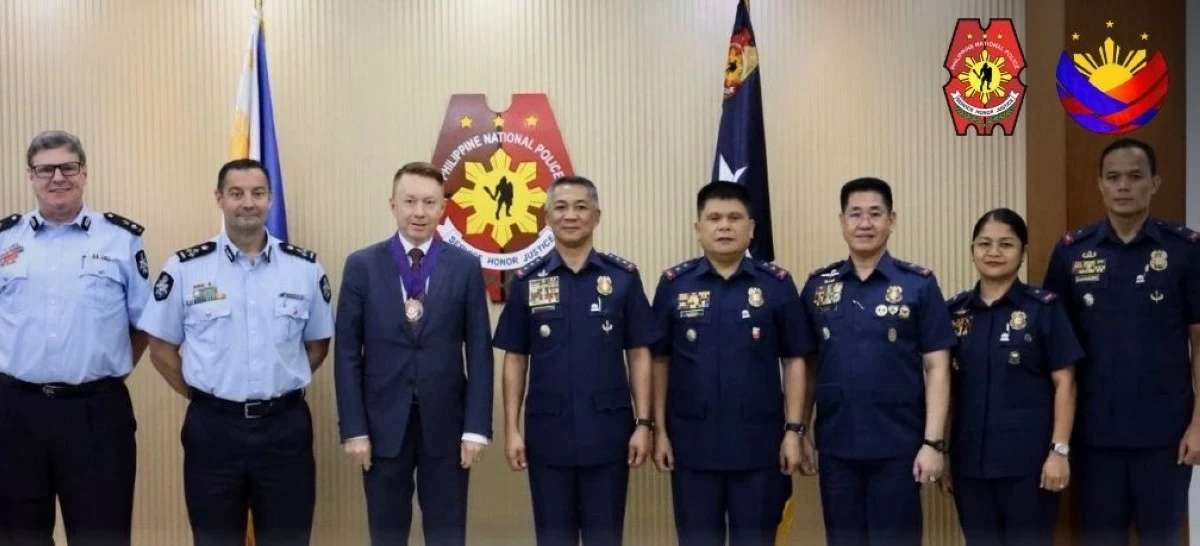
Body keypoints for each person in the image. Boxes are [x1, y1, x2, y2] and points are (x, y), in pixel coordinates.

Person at [138, 158, 334, 546]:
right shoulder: (185, 269)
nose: (248, 202)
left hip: (284, 430)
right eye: (237, 193)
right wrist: (204, 393)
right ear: (219, 198)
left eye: (258, 193)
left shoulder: (304, 269)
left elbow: (317, 346)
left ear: (270, 200)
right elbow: (160, 348)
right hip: (213, 430)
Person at [1043, 138, 1200, 546]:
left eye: (1135, 177)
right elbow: (1056, 353)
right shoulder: (1071, 254)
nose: (1124, 186)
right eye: (1113, 178)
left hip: (1165, 437)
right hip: (1094, 435)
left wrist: (1199, 424)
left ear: (1155, 183)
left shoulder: (1185, 251)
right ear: (1100, 185)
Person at [0, 130, 150, 546]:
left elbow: (143, 325)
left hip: (96, 412)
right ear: (30, 176)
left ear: (84, 173)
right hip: (17, 412)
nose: (57, 177)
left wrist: (102, 368)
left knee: (101, 535)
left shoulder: (121, 240)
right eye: (45, 169)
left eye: (68, 167)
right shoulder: (5, 240)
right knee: (19, 536)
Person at [334, 161, 493, 546]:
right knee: (387, 533)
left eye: (429, 202)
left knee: (447, 532)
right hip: (381, 424)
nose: (419, 212)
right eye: (409, 201)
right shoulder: (362, 266)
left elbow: (480, 351)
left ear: (443, 209)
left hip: (448, 425)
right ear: (392, 205)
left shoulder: (466, 267)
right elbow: (347, 353)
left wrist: (476, 428)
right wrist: (355, 429)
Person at [493, 176, 656, 546]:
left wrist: (644, 423)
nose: (571, 216)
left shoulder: (623, 279)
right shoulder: (526, 281)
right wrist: (512, 429)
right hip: (547, 435)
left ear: (596, 216)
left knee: (605, 537)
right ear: (546, 217)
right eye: (561, 207)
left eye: (581, 207)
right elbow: (515, 358)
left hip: (609, 433)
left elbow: (639, 352)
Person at [650, 181, 811, 546]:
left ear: (752, 228)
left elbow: (795, 359)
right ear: (698, 228)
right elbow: (659, 360)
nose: (725, 226)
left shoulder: (776, 284)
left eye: (735, 218)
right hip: (692, 446)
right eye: (715, 218)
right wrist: (659, 429)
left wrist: (794, 430)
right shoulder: (674, 284)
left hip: (759, 448)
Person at [800, 177, 954, 546]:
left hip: (899, 445)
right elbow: (805, 366)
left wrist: (933, 443)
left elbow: (938, 367)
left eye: (875, 214)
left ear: (891, 220)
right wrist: (801, 431)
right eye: (855, 214)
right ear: (842, 222)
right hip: (837, 446)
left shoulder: (919, 285)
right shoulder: (819, 287)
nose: (864, 224)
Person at [943, 208, 1081, 546]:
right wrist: (944, 452)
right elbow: (947, 388)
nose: (993, 252)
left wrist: (1059, 452)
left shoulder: (1044, 309)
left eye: (1006, 244)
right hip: (970, 465)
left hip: (1030, 466)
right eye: (984, 243)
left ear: (1022, 253)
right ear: (972, 250)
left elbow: (1066, 382)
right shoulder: (954, 312)